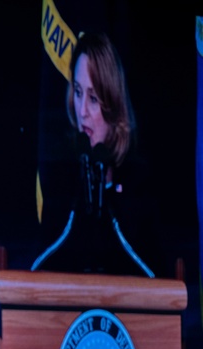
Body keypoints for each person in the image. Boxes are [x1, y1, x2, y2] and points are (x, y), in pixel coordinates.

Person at [31, 31, 154, 277]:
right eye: (78, 93)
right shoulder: (60, 187)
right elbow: (41, 279)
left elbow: (156, 282)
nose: (82, 110)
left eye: (94, 98)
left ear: (114, 103)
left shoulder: (139, 188)